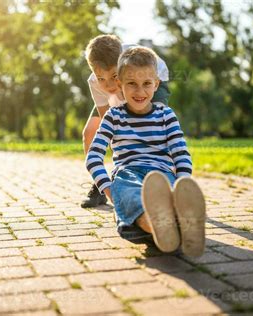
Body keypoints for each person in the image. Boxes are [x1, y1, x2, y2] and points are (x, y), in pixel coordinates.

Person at [85, 46, 206, 257]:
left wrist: (182, 184)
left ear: (156, 84)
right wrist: (109, 191)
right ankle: (165, 228)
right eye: (132, 84)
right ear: (120, 85)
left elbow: (181, 152)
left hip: (162, 174)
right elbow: (94, 156)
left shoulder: (166, 115)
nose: (140, 92)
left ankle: (173, 222)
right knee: (131, 195)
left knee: (163, 192)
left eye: (146, 84)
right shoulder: (113, 117)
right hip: (127, 173)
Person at [81, 34, 170, 208]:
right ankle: (100, 186)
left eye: (113, 76)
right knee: (90, 132)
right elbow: (109, 126)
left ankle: (161, 178)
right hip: (123, 85)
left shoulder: (136, 69)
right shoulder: (95, 83)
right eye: (101, 78)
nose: (108, 85)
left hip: (147, 79)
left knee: (152, 126)